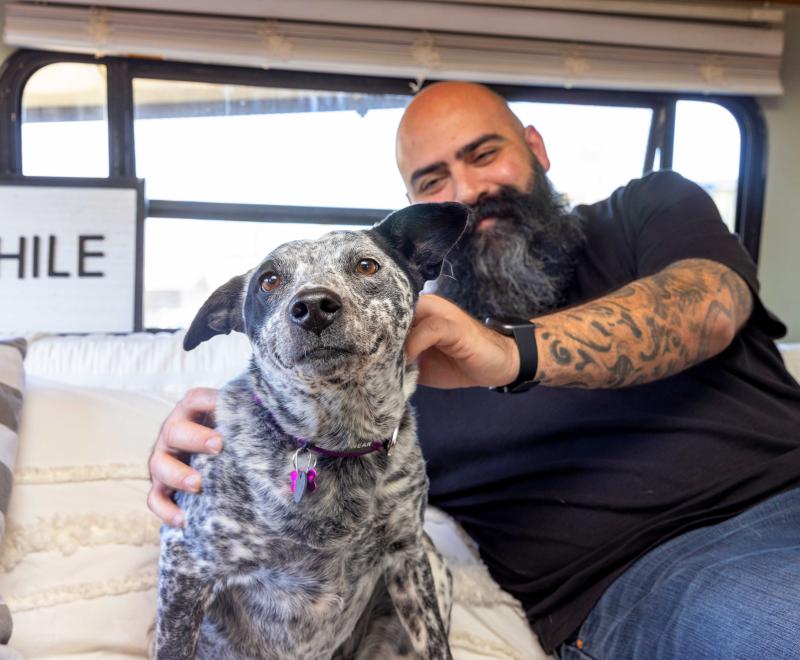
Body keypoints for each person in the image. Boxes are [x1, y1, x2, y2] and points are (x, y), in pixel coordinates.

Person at [148, 82, 800, 659]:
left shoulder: (647, 209)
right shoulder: (391, 357)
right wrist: (226, 439)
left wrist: (507, 351)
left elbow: (706, 309)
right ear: (418, 212)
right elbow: (307, 475)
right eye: (432, 181)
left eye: (485, 154)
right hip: (655, 576)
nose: (468, 192)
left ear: (536, 148)